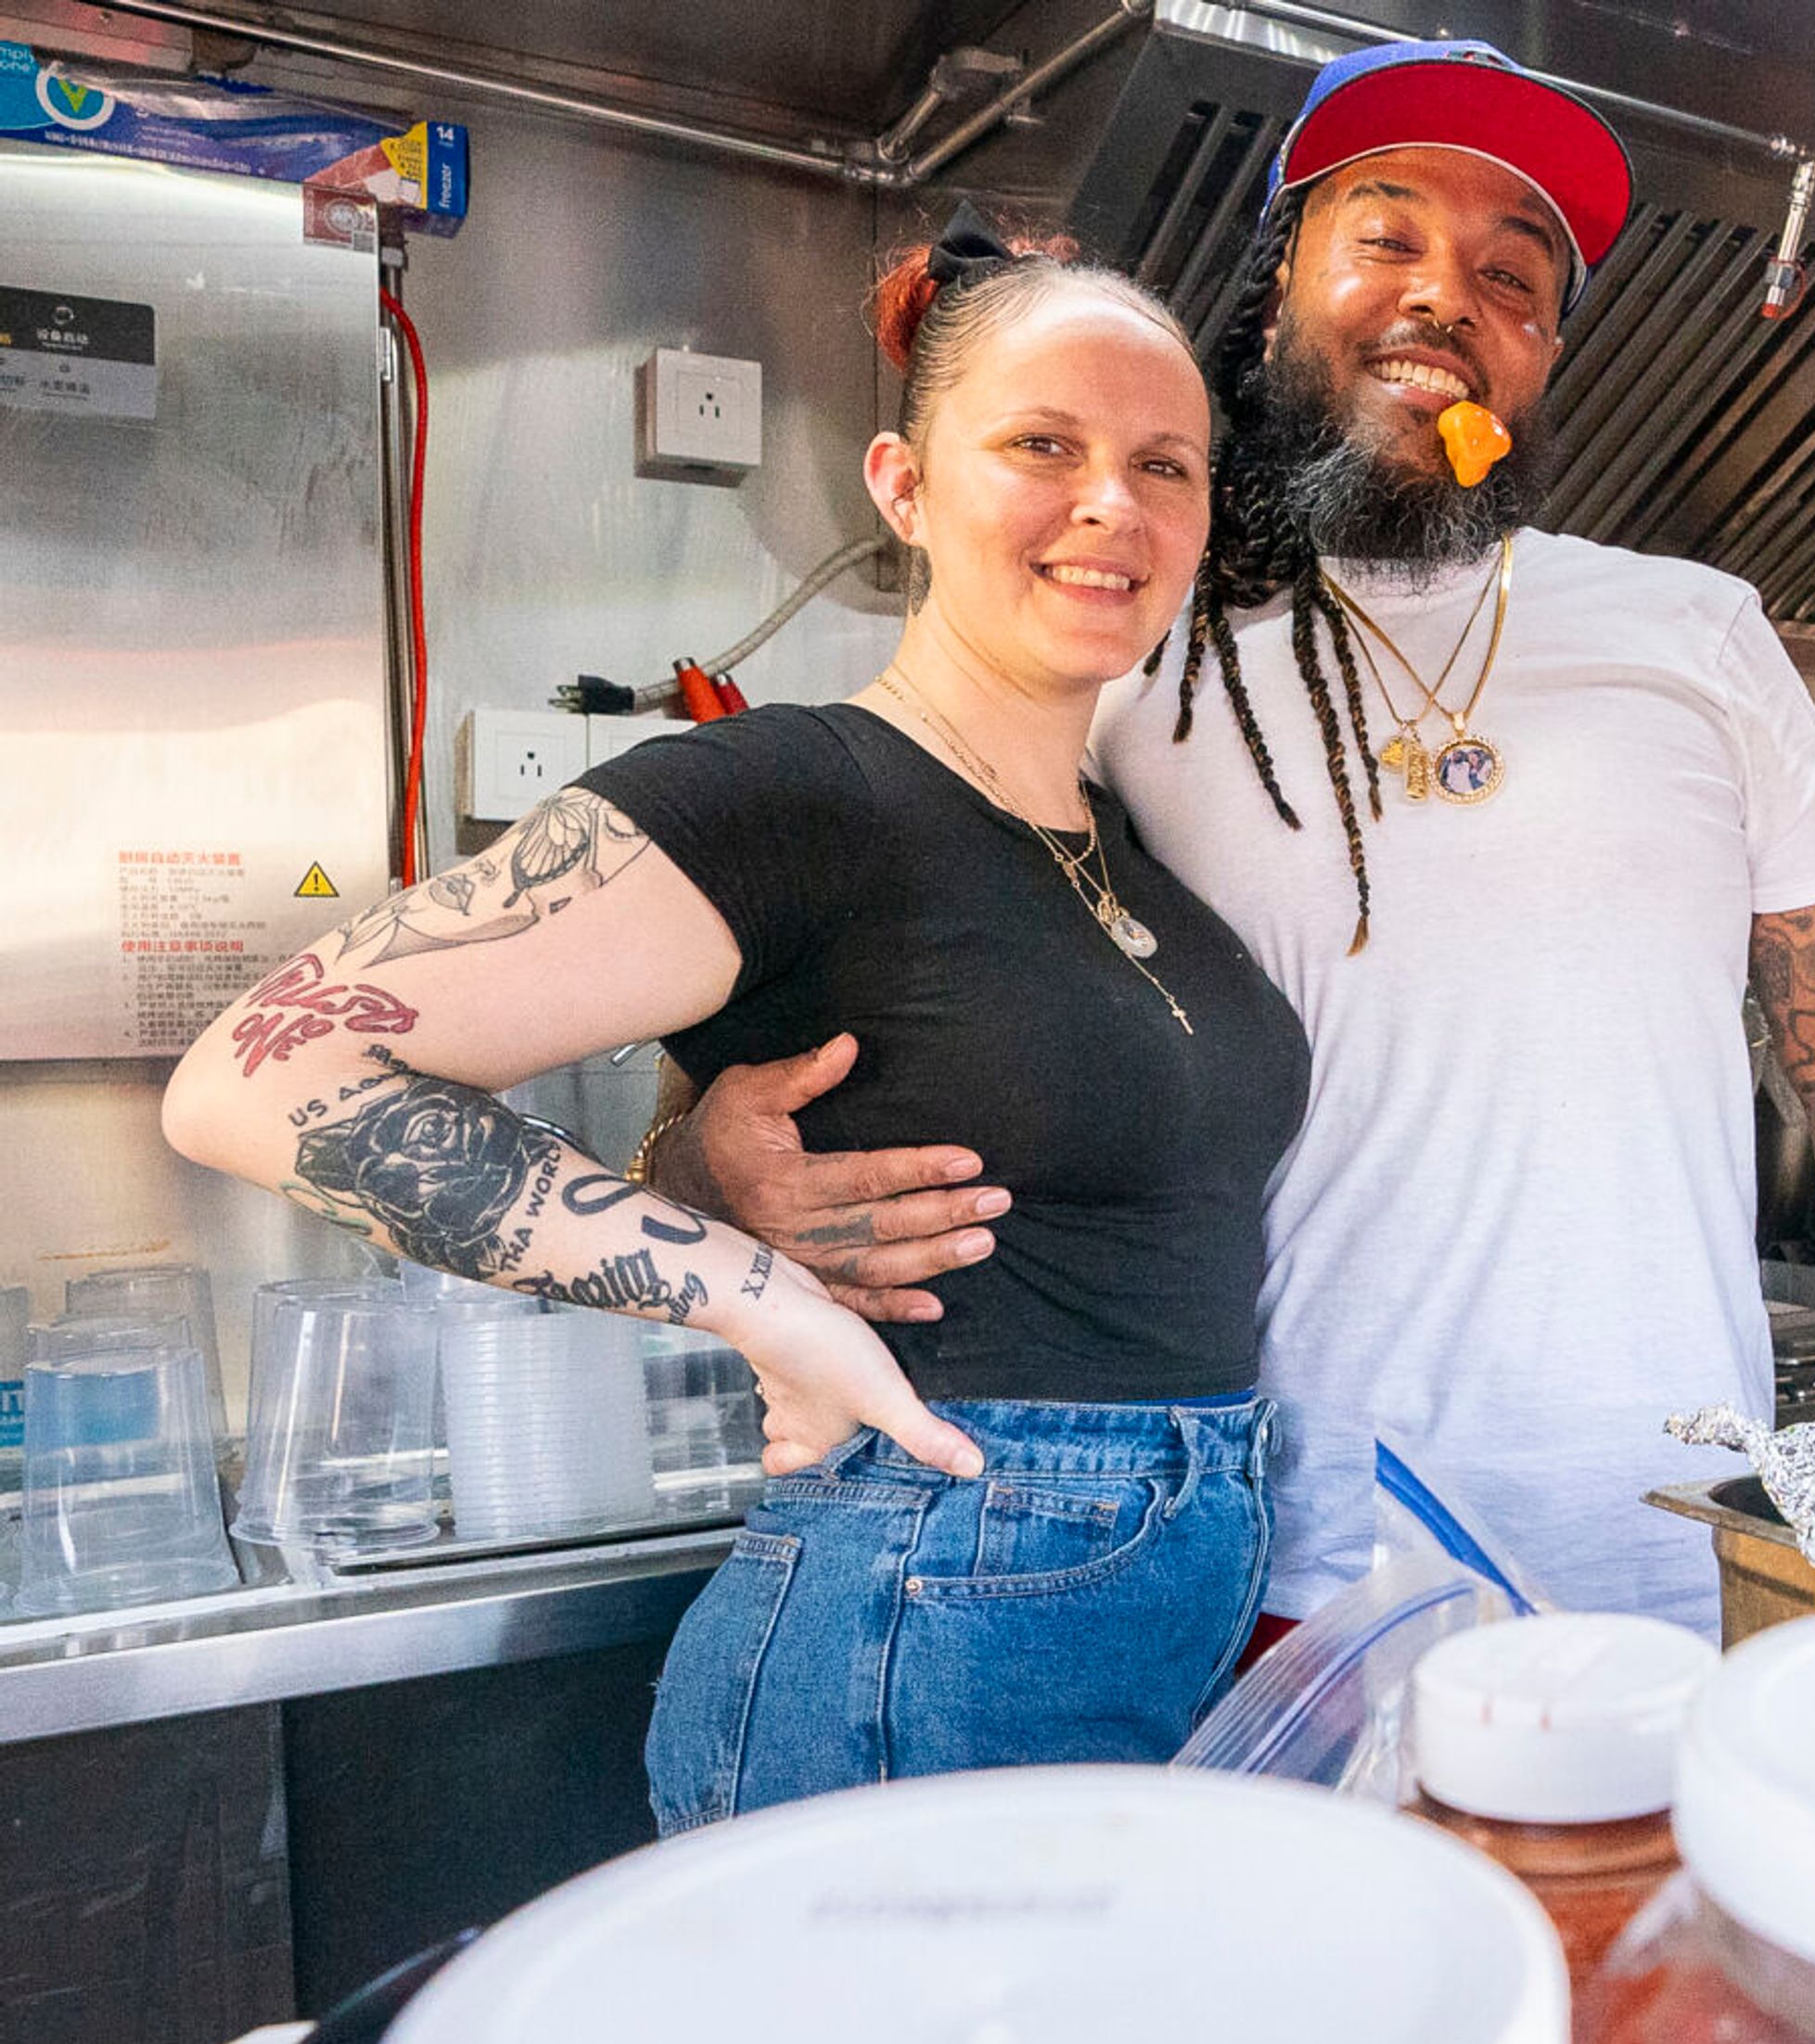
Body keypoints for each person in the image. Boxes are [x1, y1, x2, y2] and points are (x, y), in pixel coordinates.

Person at [658, 42, 1815, 1635]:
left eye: (1514, 275)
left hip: (1675, 1547)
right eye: (1389, 235)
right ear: (1285, 278)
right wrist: (715, 1165)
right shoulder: (1126, 642)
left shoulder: (1695, 636)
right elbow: (801, 1030)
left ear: (1547, 349)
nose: (1447, 298)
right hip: (1275, 1555)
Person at [163, 211, 1309, 1829]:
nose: (1110, 503)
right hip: (928, 1614)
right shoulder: (800, 790)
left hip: (1164, 1587)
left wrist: (699, 1163)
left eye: (1165, 464)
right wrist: (759, 1298)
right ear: (906, 487)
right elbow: (256, 1078)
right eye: (1043, 445)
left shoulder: (1128, 834)